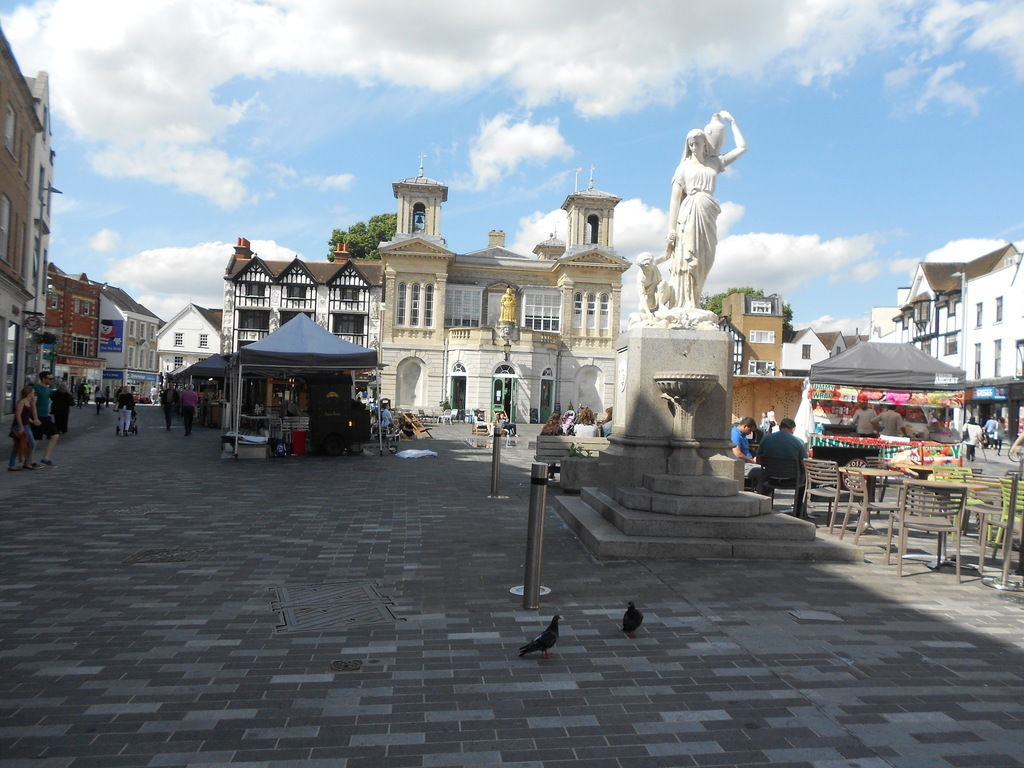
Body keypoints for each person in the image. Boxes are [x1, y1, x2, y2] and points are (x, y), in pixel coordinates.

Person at [661, 111, 747, 310]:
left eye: (697, 143)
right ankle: (686, 302)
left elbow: (742, 148)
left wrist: (733, 122)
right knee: (690, 258)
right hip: (689, 211)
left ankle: (696, 299)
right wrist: (671, 229)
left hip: (708, 212)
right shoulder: (682, 167)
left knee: (707, 260)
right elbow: (674, 199)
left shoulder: (714, 163)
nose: (694, 147)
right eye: (690, 144)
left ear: (705, 144)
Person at [755, 417, 808, 516]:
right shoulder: (798, 442)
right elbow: (803, 466)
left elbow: (759, 460)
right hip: (791, 480)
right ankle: (798, 511)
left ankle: (764, 507)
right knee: (806, 480)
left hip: (770, 478)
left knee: (764, 475)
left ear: (779, 427)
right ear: (793, 429)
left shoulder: (766, 438)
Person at [29, 370, 60, 468]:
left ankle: (45, 458)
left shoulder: (48, 389)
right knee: (36, 439)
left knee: (55, 435)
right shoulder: (36, 389)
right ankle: (30, 461)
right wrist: (35, 418)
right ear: (43, 379)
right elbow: (33, 405)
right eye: (50, 378)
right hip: (39, 416)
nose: (51, 380)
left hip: (46, 417)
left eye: (52, 378)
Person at [8, 385, 39, 471]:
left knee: (31, 444)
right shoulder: (21, 402)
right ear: (29, 393)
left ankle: (26, 462)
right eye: (33, 392)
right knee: (17, 446)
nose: (34, 393)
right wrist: (21, 427)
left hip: (26, 425)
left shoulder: (30, 402)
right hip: (18, 426)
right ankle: (12, 464)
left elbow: (28, 413)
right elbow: (18, 415)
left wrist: (31, 419)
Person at [730, 416, 763, 491]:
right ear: (745, 426)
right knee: (761, 472)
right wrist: (752, 461)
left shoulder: (743, 435)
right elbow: (737, 454)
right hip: (743, 464)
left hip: (748, 462)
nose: (750, 433)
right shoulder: (735, 434)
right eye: (750, 430)